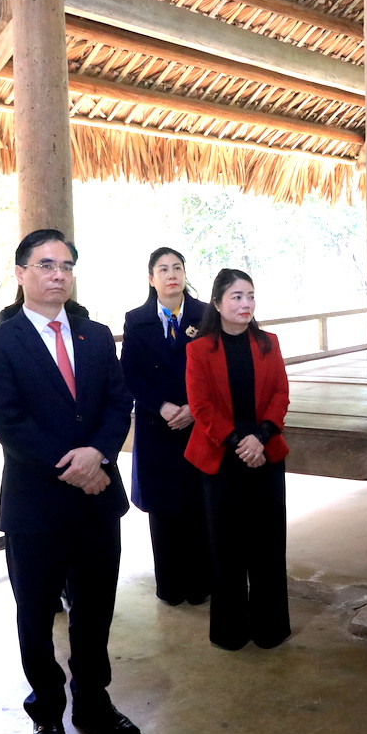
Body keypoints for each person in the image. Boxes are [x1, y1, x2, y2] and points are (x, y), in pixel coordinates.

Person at [0, 229, 140, 734]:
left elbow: (118, 403)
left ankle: (93, 702)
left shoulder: (96, 335)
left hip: (97, 500)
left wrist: (100, 454)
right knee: (35, 614)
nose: (58, 275)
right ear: (20, 273)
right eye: (46, 265)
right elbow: (9, 422)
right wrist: (75, 464)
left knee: (94, 611)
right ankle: (46, 712)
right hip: (36, 505)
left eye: (66, 266)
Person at [184, 268, 291, 651]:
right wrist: (238, 442)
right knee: (226, 546)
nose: (246, 304)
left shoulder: (268, 343)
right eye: (236, 296)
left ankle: (270, 628)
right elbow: (200, 406)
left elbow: (280, 394)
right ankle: (230, 630)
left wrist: (260, 438)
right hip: (222, 458)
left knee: (268, 544)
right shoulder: (199, 349)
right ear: (217, 303)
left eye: (250, 296)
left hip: (265, 454)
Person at [121, 247, 210, 606]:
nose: (172, 274)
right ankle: (170, 586)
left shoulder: (206, 315)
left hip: (198, 422)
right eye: (163, 269)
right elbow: (130, 373)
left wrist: (193, 407)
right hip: (156, 424)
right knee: (163, 509)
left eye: (177, 268)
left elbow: (214, 369)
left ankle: (201, 584)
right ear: (151, 278)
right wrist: (161, 405)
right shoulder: (136, 319)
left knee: (198, 504)